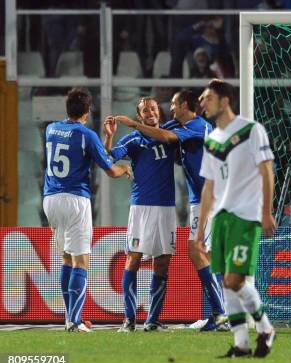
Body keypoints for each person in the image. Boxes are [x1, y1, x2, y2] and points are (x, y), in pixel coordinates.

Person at [114, 90, 226, 331]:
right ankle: (219, 313)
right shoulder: (160, 129)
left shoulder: (197, 126)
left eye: (173, 105)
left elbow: (167, 137)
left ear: (185, 105)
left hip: (208, 197)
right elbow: (112, 156)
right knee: (204, 253)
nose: (169, 109)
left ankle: (219, 313)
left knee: (196, 251)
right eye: (147, 110)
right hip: (185, 199)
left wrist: (134, 124)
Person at [196, 79, 276, 358]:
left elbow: (267, 171)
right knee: (225, 281)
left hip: (246, 215)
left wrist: (266, 211)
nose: (202, 103)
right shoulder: (211, 139)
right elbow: (209, 187)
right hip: (222, 217)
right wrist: (199, 232)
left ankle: (265, 328)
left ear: (224, 101)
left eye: (207, 98)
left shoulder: (251, 130)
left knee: (234, 279)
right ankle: (241, 343)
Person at [43, 88, 132, 332]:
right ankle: (75, 320)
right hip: (75, 199)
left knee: (67, 258)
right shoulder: (86, 134)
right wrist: (126, 169)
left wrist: (107, 139)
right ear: (88, 110)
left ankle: (70, 317)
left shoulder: (51, 129)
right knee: (81, 261)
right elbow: (111, 170)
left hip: (50, 199)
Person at [103, 97, 176, 332]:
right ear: (139, 116)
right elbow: (109, 157)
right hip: (141, 207)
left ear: (159, 112)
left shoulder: (169, 134)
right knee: (133, 258)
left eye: (153, 108)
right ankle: (128, 319)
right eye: (145, 110)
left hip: (166, 207)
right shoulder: (134, 138)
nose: (150, 112)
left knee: (162, 263)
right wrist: (110, 135)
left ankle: (153, 320)